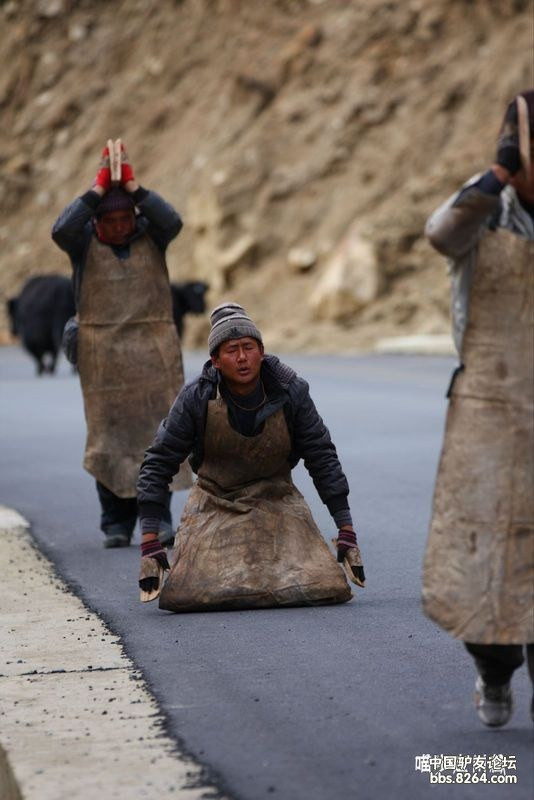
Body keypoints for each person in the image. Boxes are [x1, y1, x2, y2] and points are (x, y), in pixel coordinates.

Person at [422, 90, 534, 727]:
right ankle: (493, 675)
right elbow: (441, 234)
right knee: (489, 563)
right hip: (490, 413)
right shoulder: (484, 211)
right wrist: (497, 173)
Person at [137, 303, 365, 612]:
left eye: (249, 347)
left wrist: (346, 529)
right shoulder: (197, 398)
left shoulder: (291, 391)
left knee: (326, 586)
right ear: (215, 361)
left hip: (278, 500)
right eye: (231, 350)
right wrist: (150, 541)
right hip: (215, 504)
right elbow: (159, 461)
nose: (242, 358)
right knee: (187, 595)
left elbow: (321, 454)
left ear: (262, 350)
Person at [51, 143, 191, 548]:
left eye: (125, 217)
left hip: (153, 356)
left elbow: (174, 220)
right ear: (97, 221)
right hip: (103, 359)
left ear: (135, 216)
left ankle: (158, 518)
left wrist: (133, 186)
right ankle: (115, 523)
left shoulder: (155, 237)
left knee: (157, 438)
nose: (117, 225)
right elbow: (61, 229)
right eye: (108, 219)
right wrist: (96, 190)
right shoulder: (81, 245)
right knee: (108, 440)